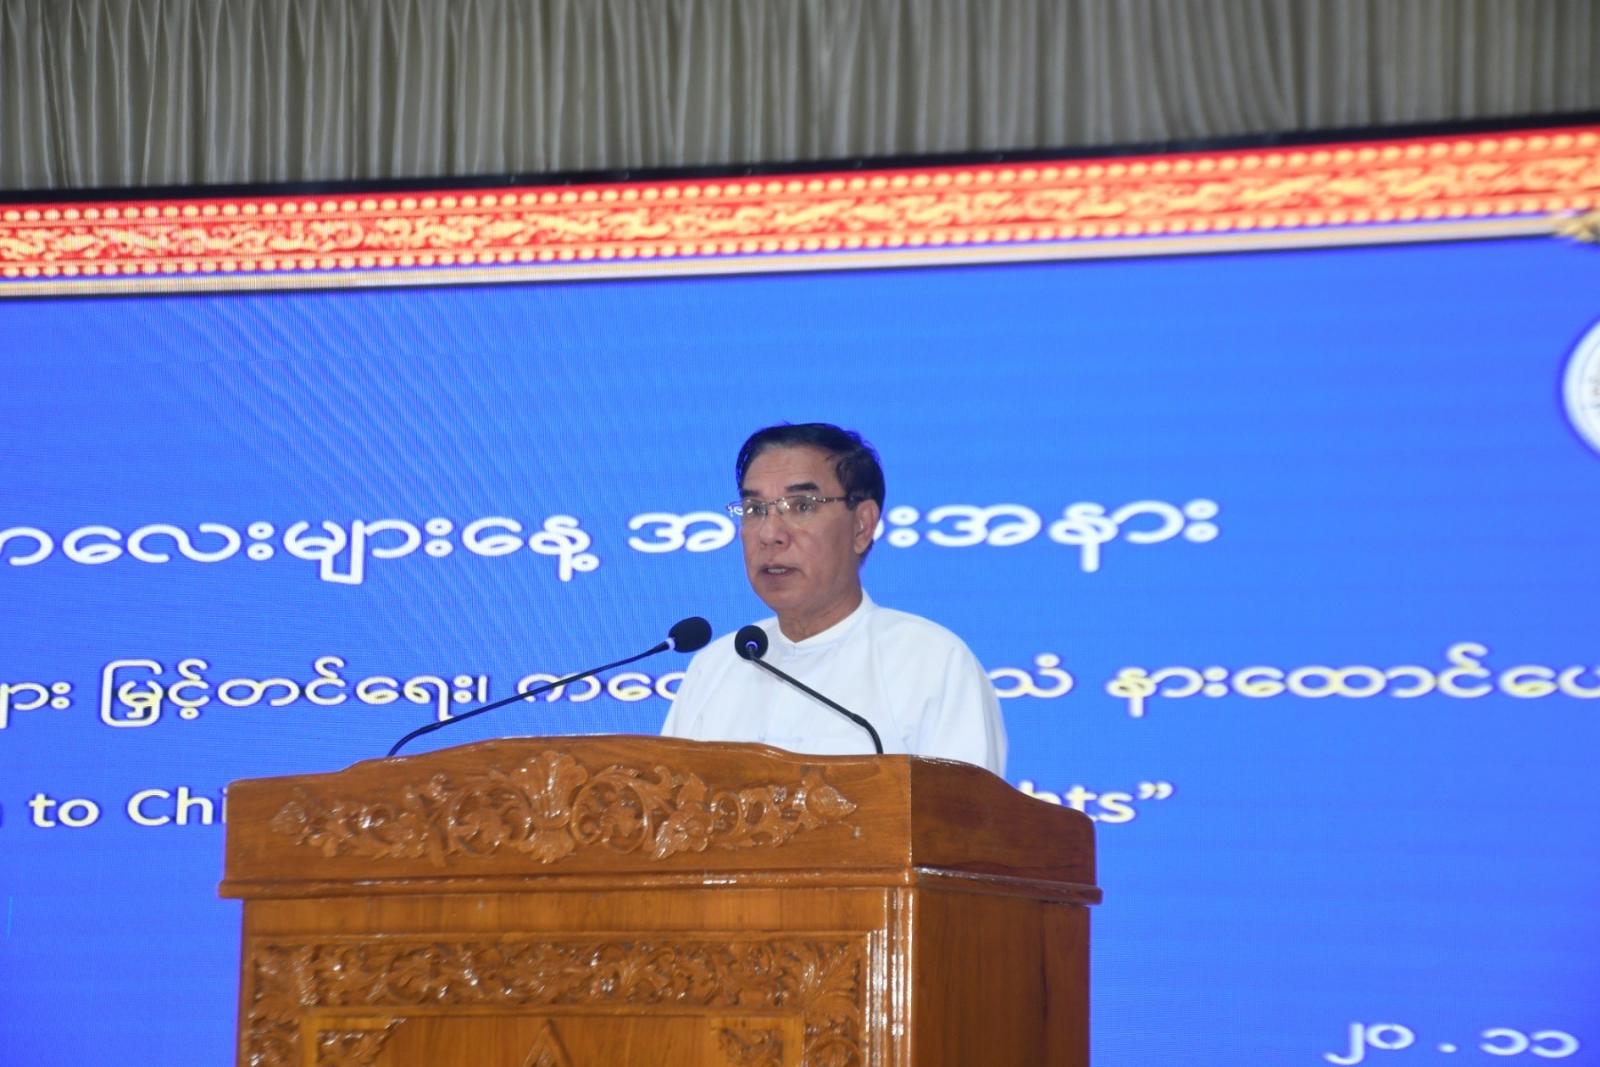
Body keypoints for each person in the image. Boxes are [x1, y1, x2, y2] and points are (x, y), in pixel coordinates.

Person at [660, 422, 1007, 774]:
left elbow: (966, 809)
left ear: (862, 525)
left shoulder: (931, 663)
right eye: (754, 509)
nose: (769, 533)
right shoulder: (716, 667)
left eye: (801, 506)